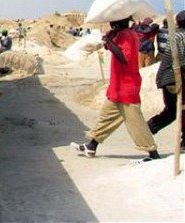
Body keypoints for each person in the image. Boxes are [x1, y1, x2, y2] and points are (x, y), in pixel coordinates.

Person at [71, 16, 160, 162]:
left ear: (119, 22)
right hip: (118, 87)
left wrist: (109, 41)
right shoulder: (125, 33)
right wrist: (110, 39)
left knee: (135, 122)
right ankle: (91, 145)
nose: (111, 24)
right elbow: (111, 48)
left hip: (126, 87)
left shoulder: (126, 34)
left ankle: (153, 153)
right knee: (106, 117)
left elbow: (124, 57)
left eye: (113, 22)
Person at [147, 10, 185, 149]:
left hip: (167, 77)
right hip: (174, 78)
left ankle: (148, 129)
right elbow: (181, 60)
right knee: (175, 110)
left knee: (174, 110)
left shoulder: (175, 35)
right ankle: (147, 129)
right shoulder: (182, 36)